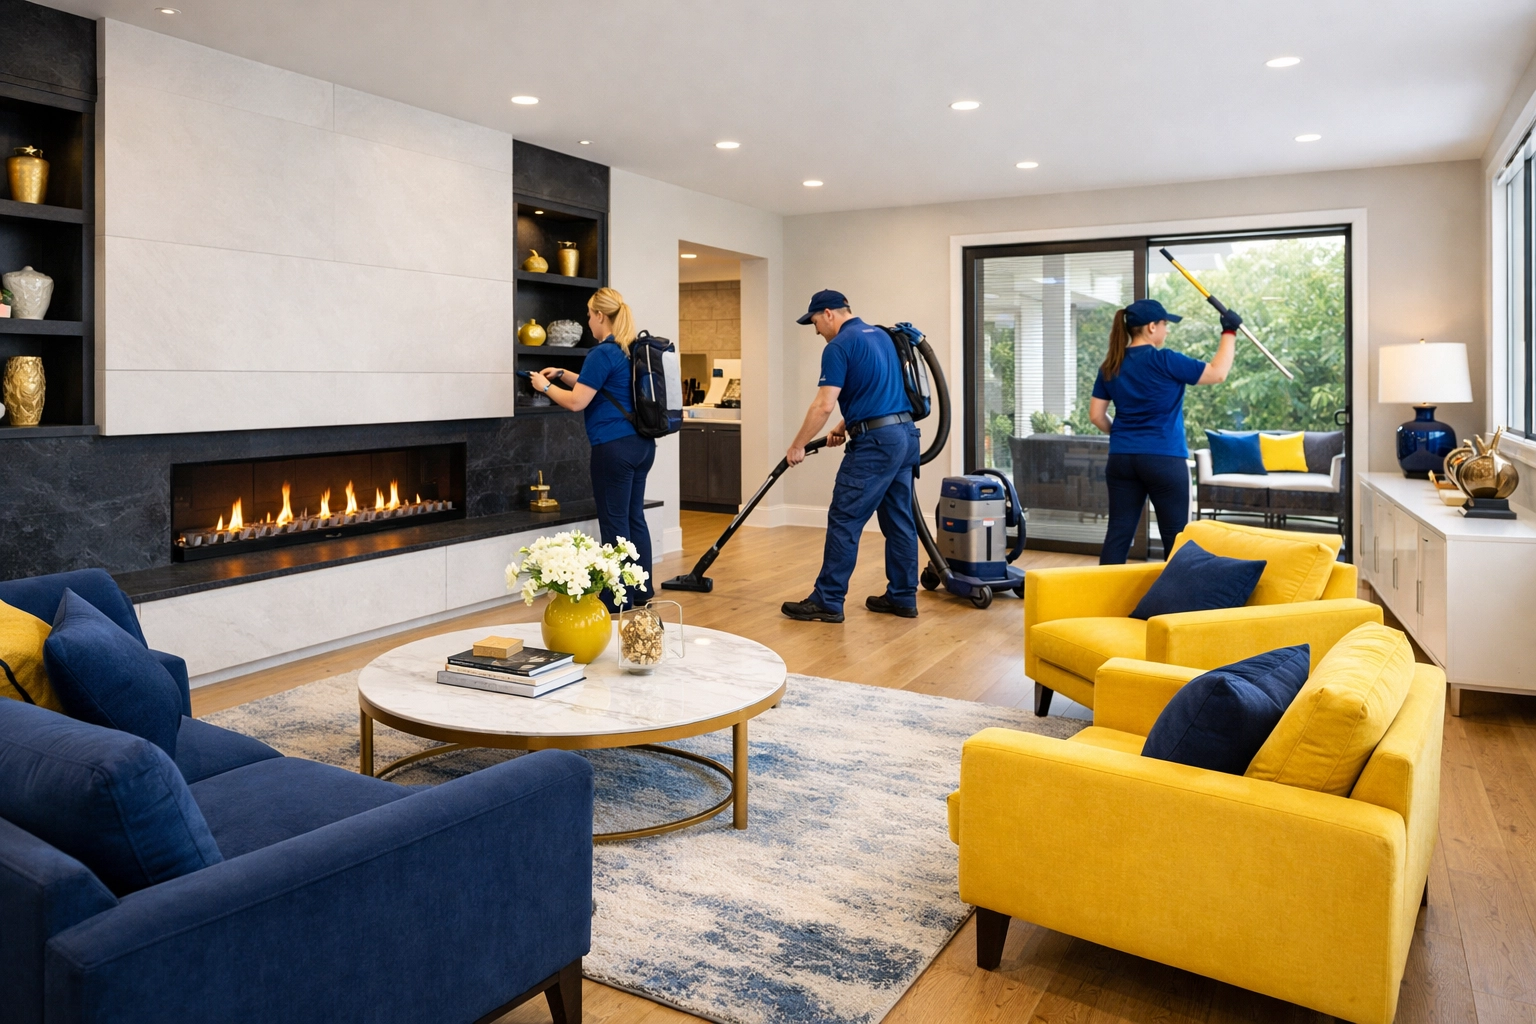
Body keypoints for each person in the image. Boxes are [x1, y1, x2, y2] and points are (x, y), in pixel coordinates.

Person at [781, 289, 921, 623]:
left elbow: (823, 404)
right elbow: (878, 390)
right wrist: (846, 425)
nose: (816, 330)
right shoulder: (883, 337)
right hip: (904, 436)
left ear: (828, 313)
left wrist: (798, 444)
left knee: (845, 518)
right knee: (900, 520)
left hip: (875, 445)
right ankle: (902, 597)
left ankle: (828, 599)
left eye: (815, 322)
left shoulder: (839, 346)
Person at [527, 287, 654, 610]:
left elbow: (577, 401)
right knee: (633, 517)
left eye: (588, 315)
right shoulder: (628, 348)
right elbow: (597, 385)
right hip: (641, 445)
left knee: (614, 523)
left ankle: (615, 600)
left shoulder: (602, 352)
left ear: (600, 316)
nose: (587, 321)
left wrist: (545, 386)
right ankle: (640, 590)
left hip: (613, 449)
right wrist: (563, 374)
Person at [1088, 296, 1238, 565]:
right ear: (1151, 327)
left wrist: (1122, 435)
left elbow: (1096, 416)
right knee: (1175, 536)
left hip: (1122, 459)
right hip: (1163, 459)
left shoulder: (1110, 366)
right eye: (1165, 324)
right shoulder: (1166, 360)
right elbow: (1218, 373)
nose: (1167, 330)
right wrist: (1229, 331)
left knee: (1119, 533)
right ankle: (1175, 603)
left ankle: (1102, 602)